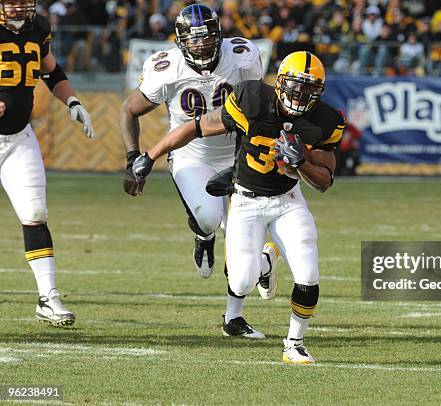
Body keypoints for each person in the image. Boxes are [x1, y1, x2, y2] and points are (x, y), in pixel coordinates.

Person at [131, 51, 345, 365]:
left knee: (308, 274)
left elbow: (324, 181)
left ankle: (294, 343)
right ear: (281, 82)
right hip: (245, 199)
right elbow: (196, 127)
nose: (299, 96)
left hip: (288, 201)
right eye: (295, 87)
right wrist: (150, 156)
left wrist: (301, 164)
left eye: (308, 90)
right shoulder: (252, 98)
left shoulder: (325, 121)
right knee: (241, 282)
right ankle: (264, 263)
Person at [120, 4, 278, 339]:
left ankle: (233, 317)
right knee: (209, 218)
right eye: (194, 41)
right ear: (180, 41)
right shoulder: (166, 68)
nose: (202, 46)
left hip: (237, 151)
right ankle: (204, 236)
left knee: (239, 235)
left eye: (207, 39)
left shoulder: (241, 56)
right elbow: (129, 110)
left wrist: (244, 158)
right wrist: (133, 158)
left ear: (219, 36)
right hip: (190, 154)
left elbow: (257, 107)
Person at [0, 0, 95, 326]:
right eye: (11, 2)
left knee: (35, 213)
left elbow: (50, 70)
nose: (18, 8)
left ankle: (48, 297)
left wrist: (72, 99)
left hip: (17, 137)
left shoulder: (38, 27)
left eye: (23, 1)